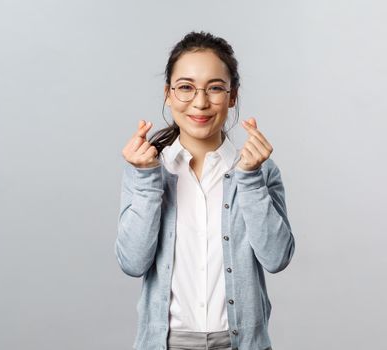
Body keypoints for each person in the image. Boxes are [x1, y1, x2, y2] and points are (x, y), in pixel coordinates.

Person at [115, 31, 295, 350]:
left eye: (214, 88)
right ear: (168, 94)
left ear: (232, 96)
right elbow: (132, 262)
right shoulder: (147, 169)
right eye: (185, 87)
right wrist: (145, 179)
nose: (200, 102)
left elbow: (277, 258)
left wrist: (250, 179)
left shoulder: (260, 169)